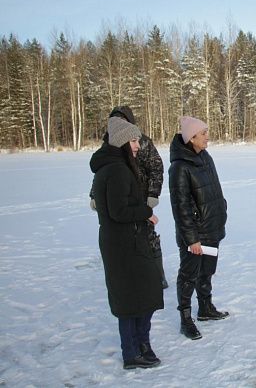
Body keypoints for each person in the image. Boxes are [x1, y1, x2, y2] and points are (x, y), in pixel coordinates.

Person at [90, 116, 164, 370]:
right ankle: (133, 353)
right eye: (133, 140)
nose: (138, 145)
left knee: (141, 296)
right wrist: (146, 212)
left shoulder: (114, 166)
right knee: (133, 299)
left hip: (125, 241)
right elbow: (119, 211)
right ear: (121, 142)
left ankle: (140, 346)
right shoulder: (117, 170)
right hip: (123, 244)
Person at [90, 106, 168, 289]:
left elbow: (156, 167)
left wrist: (152, 193)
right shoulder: (110, 144)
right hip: (119, 199)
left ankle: (158, 275)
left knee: (148, 237)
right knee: (125, 239)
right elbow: (102, 172)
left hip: (140, 198)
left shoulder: (141, 141)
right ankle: (131, 276)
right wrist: (94, 195)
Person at [169, 116, 229, 340]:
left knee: (207, 271)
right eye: (203, 133)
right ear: (190, 138)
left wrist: (222, 209)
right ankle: (185, 320)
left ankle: (205, 308)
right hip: (194, 235)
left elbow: (215, 189)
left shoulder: (205, 157)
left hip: (212, 227)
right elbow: (181, 208)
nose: (207, 137)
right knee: (188, 276)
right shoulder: (179, 167)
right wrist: (191, 239)